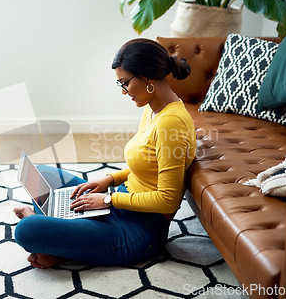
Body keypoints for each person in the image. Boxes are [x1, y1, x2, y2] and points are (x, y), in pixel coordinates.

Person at [13, 38, 197, 269]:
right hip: (119, 202)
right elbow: (149, 165)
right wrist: (110, 179)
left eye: (125, 83)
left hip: (138, 231)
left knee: (27, 229)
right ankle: (65, 242)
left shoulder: (172, 123)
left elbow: (167, 201)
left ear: (148, 77)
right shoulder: (154, 109)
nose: (123, 92)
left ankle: (53, 235)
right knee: (42, 175)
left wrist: (108, 199)